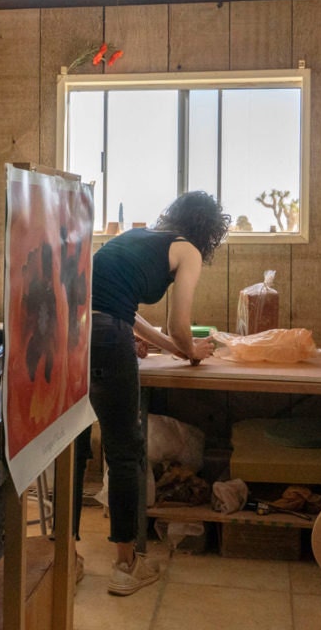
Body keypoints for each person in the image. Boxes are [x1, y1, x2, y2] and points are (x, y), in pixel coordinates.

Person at [73, 191, 229, 595]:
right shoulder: (188, 251)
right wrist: (190, 350)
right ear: (209, 232)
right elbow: (180, 324)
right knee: (125, 451)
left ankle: (65, 558)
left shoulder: (132, 237)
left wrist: (172, 348)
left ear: (173, 215)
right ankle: (126, 567)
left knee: (73, 446)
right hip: (107, 336)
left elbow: (118, 308)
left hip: (71, 332)